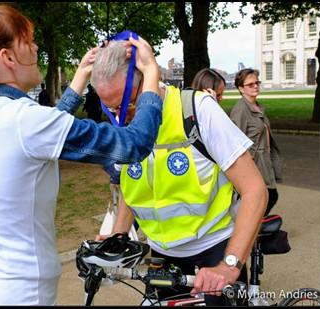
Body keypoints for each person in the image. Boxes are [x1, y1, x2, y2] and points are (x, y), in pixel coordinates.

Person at [0, 5, 162, 306]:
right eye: (27, 41)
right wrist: (150, 75)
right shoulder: (26, 121)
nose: (35, 47)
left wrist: (81, 77)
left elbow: (41, 136)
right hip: (20, 295)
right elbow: (134, 145)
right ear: (8, 58)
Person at [93, 42, 268, 305]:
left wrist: (229, 265)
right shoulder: (123, 125)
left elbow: (255, 190)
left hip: (214, 249)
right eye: (111, 110)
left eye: (126, 105)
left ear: (149, 81)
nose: (120, 119)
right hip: (162, 254)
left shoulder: (198, 110)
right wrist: (118, 239)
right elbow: (134, 186)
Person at [230, 68, 283, 216]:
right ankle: (249, 230)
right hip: (253, 164)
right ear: (241, 88)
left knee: (267, 197)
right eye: (250, 84)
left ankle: (253, 230)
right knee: (268, 196)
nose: (255, 86)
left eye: (257, 82)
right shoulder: (240, 110)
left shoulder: (258, 106)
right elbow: (235, 142)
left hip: (265, 161)